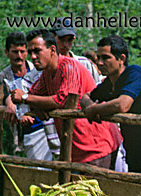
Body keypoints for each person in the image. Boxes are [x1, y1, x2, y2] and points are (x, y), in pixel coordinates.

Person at [11, 29, 121, 168]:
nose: (32, 56)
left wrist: (25, 98)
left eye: (37, 51)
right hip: (75, 149)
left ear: (52, 50)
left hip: (97, 146)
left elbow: (62, 99)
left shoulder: (68, 66)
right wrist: (36, 105)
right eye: (31, 52)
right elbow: (35, 95)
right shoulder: (46, 74)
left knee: (99, 188)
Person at [81, 35, 141, 174]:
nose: (100, 63)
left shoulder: (135, 73)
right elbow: (85, 97)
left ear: (121, 58)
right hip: (134, 155)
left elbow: (123, 104)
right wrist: (91, 107)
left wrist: (95, 109)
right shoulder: (109, 83)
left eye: (106, 58)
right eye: (99, 58)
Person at [0, 31, 60, 160]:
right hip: (28, 131)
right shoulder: (2, 78)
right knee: (39, 169)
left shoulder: (38, 69)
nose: (19, 56)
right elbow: (3, 100)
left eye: (23, 51)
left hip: (49, 125)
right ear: (7, 52)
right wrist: (11, 105)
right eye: (14, 52)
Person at [51, 17, 102, 84]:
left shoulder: (85, 64)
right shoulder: (44, 65)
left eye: (70, 40)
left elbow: (97, 88)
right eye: (61, 39)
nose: (65, 44)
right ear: (53, 36)